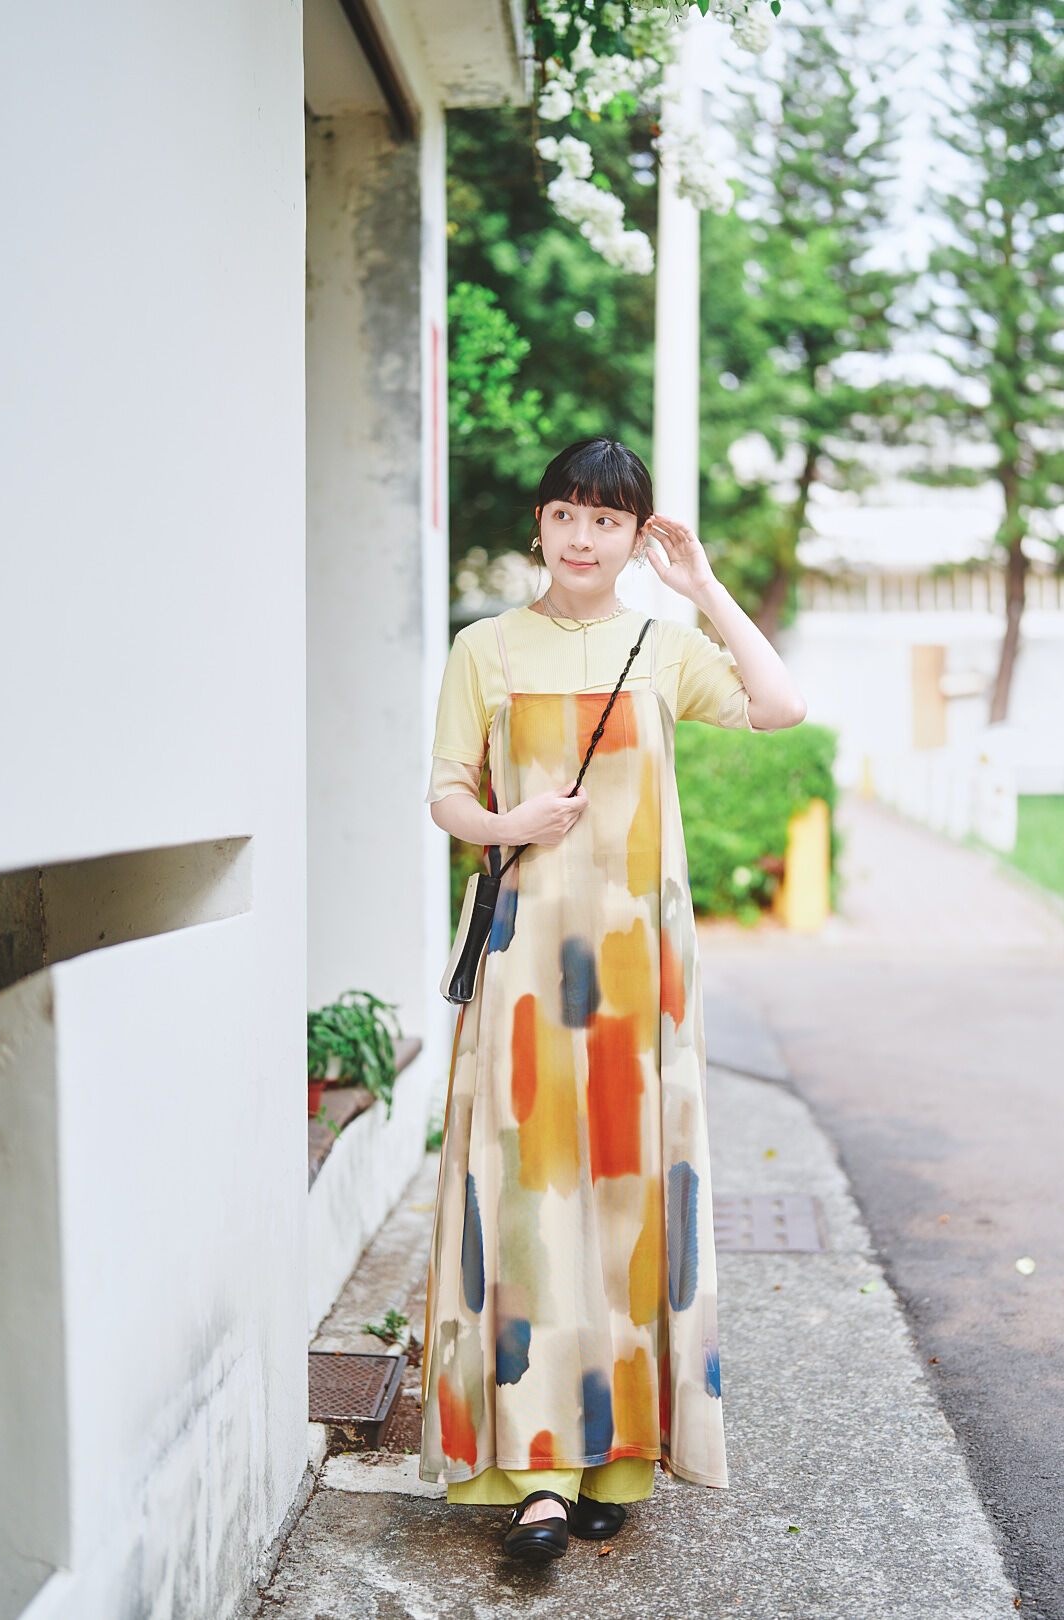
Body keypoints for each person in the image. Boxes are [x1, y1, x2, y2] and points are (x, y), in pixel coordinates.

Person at [419, 437, 807, 1562]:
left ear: (638, 540)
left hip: (642, 975)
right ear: (539, 525)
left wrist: (704, 588)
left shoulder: (663, 647)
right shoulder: (486, 648)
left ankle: (617, 1457)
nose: (582, 538)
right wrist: (511, 825)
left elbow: (779, 705)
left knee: (630, 1204)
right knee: (529, 1203)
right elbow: (446, 794)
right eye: (566, 515)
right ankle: (538, 1473)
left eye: (607, 521)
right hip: (525, 971)